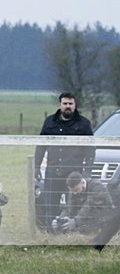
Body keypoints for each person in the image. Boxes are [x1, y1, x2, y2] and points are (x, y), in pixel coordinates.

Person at [34, 92, 94, 231]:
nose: (68, 107)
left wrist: (87, 169)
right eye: (65, 104)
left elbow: (90, 147)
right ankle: (51, 236)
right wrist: (37, 166)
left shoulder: (84, 124)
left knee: (73, 206)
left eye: (70, 104)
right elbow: (41, 144)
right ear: (60, 105)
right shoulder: (50, 122)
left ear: (75, 105)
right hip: (53, 171)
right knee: (51, 205)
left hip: (73, 173)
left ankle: (70, 235)